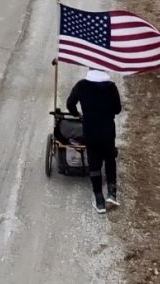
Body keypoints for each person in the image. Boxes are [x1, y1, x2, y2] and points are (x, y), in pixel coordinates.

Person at [66, 67, 122, 214]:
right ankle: (112, 193)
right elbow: (117, 109)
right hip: (108, 131)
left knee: (94, 164)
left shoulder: (82, 85)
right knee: (110, 158)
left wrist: (78, 114)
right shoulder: (111, 87)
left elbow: (70, 104)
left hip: (90, 131)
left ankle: (99, 201)